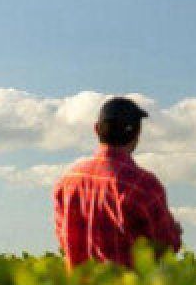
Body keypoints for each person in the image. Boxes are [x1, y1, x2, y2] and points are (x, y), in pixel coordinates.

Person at [53, 97, 182, 269]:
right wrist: (175, 232)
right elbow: (164, 248)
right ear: (136, 135)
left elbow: (64, 240)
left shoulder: (67, 181)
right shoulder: (143, 184)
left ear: (96, 129)